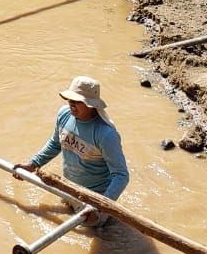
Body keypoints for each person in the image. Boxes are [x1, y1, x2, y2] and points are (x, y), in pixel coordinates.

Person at [13, 75, 129, 228]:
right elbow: (55, 144)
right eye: (70, 100)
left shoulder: (106, 135)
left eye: (77, 102)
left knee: (98, 235)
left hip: (95, 198)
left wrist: (99, 206)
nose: (72, 105)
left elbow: (121, 176)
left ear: (91, 104)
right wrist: (33, 164)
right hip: (68, 188)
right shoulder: (64, 114)